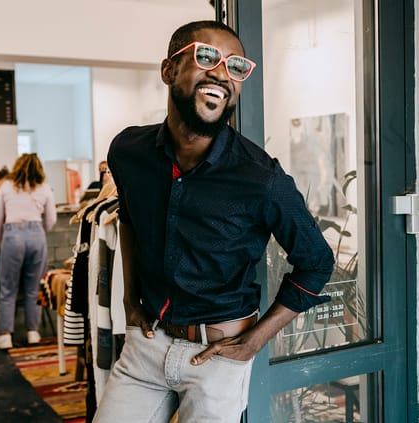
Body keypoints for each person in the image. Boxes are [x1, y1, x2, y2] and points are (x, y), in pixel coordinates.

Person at [93, 20, 334, 423]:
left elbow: (317, 263)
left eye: (236, 66)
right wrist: (129, 298)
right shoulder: (127, 150)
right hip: (145, 348)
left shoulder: (262, 179)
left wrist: (254, 341)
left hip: (218, 358)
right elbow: (130, 219)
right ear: (169, 70)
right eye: (207, 57)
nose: (222, 73)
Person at [0, 153, 57, 349]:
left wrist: (2, 241)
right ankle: (33, 333)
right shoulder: (45, 188)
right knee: (33, 288)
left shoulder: (6, 186)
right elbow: (52, 219)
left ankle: (5, 336)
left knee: (8, 288)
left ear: (17, 166)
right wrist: (38, 232)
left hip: (12, 236)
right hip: (37, 236)